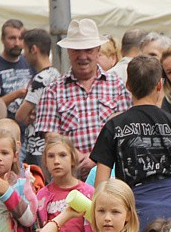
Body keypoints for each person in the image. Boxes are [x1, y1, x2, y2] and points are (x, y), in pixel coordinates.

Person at [91, 55, 171, 231]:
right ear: (159, 84)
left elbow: (100, 187)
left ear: (128, 86)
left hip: (134, 213)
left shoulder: (114, 126)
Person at [34, 18, 133, 178]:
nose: (82, 56)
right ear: (68, 52)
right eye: (76, 50)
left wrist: (96, 158)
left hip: (112, 177)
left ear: (98, 50)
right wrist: (78, 156)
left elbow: (126, 132)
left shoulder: (116, 85)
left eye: (88, 50)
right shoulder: (53, 90)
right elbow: (51, 137)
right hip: (70, 180)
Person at [14, 28, 61, 168]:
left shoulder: (41, 79)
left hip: (37, 147)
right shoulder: (56, 75)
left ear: (33, 49)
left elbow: (20, 115)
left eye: (25, 50)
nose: (23, 55)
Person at [0, 19, 32, 120]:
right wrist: (17, 94)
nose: (17, 43)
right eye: (12, 38)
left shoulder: (29, 61)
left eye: (20, 38)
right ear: (2, 39)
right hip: (5, 127)